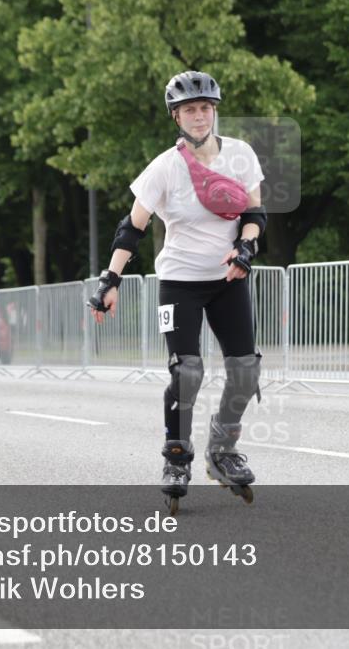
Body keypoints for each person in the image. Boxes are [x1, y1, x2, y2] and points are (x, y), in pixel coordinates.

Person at [87, 71, 266, 514]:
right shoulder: (164, 167)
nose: (200, 116)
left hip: (228, 280)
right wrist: (110, 280)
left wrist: (245, 246)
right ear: (176, 116)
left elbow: (255, 212)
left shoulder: (240, 155)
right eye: (190, 109)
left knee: (245, 370)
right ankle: (176, 457)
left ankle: (221, 450)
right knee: (187, 371)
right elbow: (132, 228)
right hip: (180, 283)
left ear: (215, 111)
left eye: (206, 108)